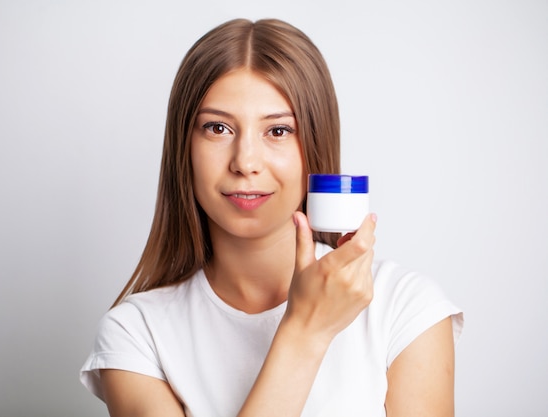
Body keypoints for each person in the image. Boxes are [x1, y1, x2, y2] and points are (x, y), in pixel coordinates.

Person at [80, 18, 463, 417]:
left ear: (315, 143)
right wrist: (305, 331)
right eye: (218, 127)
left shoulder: (405, 308)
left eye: (278, 131)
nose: (245, 162)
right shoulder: (136, 335)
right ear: (184, 147)